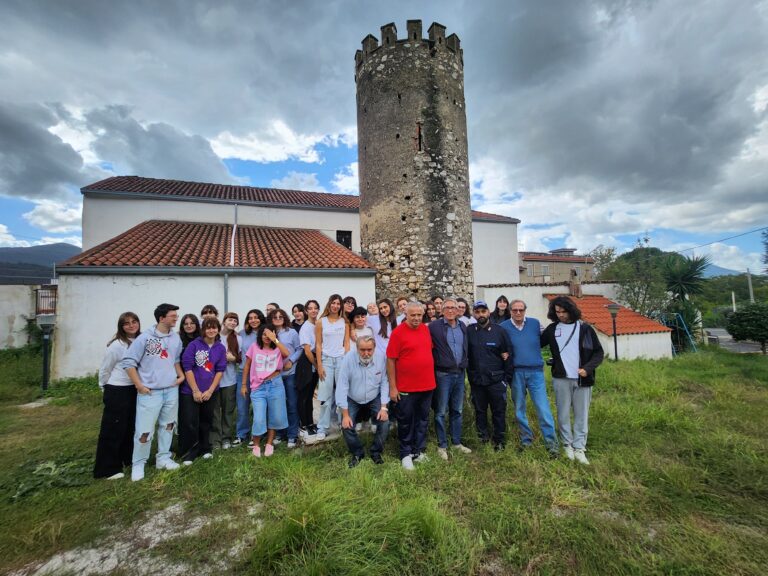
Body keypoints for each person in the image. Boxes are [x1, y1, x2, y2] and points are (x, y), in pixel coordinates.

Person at [121, 303, 185, 482]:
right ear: (162, 318)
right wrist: (139, 385)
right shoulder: (145, 338)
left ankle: (163, 458)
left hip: (171, 389)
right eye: (173, 315)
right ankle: (138, 464)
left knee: (168, 425)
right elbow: (128, 362)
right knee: (144, 430)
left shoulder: (175, 338)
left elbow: (175, 359)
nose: (176, 318)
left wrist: (179, 376)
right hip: (150, 392)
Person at [541, 296, 604, 465]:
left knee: (581, 415)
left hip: (583, 379)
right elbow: (536, 343)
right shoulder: (552, 329)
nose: (561, 315)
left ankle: (579, 448)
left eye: (564, 311)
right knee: (562, 414)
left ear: (571, 310)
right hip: (561, 378)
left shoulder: (584, 329)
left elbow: (598, 353)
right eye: (557, 312)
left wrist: (587, 368)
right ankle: (567, 445)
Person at [499, 300, 559, 456]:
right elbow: (501, 347)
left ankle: (552, 445)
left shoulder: (535, 323)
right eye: (515, 310)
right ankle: (526, 441)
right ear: (510, 311)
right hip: (516, 373)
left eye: (521, 310)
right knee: (519, 409)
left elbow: (547, 339)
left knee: (543, 408)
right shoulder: (504, 327)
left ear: (525, 310)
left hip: (536, 372)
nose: (518, 313)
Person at [387, 301, 436, 470]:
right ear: (406, 314)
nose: (416, 318)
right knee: (406, 420)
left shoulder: (425, 329)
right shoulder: (398, 333)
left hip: (427, 384)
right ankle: (405, 453)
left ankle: (418, 451)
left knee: (422, 420)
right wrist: (393, 387)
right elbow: (391, 360)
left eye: (419, 315)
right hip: (406, 387)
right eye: (413, 315)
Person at [94, 312, 141, 480]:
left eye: (134, 322)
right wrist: (104, 387)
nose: (131, 325)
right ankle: (106, 468)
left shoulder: (140, 340)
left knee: (129, 427)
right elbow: (105, 368)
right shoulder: (117, 345)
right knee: (113, 429)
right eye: (126, 323)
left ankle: (126, 459)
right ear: (121, 327)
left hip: (134, 389)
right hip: (117, 388)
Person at [336, 335, 391, 467]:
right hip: (353, 397)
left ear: (374, 348)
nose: (366, 353)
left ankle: (376, 452)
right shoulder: (348, 359)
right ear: (357, 348)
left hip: (374, 397)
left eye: (369, 350)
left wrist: (384, 408)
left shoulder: (381, 358)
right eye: (362, 350)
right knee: (346, 424)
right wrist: (345, 414)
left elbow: (384, 382)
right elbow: (342, 386)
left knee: (385, 421)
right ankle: (357, 453)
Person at [466, 300, 513, 451]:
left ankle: (499, 440)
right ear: (473, 313)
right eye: (477, 312)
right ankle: (483, 438)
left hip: (496, 380)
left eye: (483, 311)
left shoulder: (499, 331)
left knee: (498, 412)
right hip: (477, 380)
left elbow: (508, 354)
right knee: (480, 411)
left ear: (488, 312)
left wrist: (506, 380)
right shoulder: (469, 331)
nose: (480, 314)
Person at [428, 298, 471, 460]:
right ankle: (442, 445)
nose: (451, 310)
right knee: (440, 411)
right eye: (447, 308)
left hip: (460, 373)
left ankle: (457, 443)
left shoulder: (463, 326)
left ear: (458, 310)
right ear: (442, 310)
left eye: (454, 308)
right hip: (443, 374)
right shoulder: (434, 327)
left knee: (457, 410)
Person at [179, 317, 227, 464]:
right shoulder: (194, 345)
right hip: (190, 391)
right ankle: (189, 453)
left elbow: (220, 370)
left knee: (206, 421)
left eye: (214, 327)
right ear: (203, 329)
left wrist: (210, 391)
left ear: (218, 329)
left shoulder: (220, 347)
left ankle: (205, 448)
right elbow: (187, 368)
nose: (211, 330)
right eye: (208, 327)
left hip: (210, 392)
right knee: (190, 422)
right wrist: (195, 390)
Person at [241, 324, 290, 457]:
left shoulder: (278, 348)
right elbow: (246, 367)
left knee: (274, 416)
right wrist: (244, 385)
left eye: (269, 334)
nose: (266, 337)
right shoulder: (254, 347)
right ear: (260, 336)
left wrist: (275, 340)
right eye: (264, 334)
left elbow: (287, 354)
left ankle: (269, 443)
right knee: (259, 417)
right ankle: (256, 445)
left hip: (275, 384)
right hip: (258, 386)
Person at [315, 294, 350, 440]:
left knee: (342, 393)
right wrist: (319, 365)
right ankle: (322, 427)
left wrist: (347, 362)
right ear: (329, 304)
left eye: (338, 303)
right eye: (333, 303)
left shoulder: (345, 322)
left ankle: (344, 424)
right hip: (327, 361)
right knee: (325, 395)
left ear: (340, 306)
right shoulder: (320, 322)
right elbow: (318, 344)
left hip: (341, 360)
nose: (335, 306)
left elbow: (346, 343)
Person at [269, 308, 303, 448]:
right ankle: (280, 433)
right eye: (275, 317)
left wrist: (291, 361)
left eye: (280, 316)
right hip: (274, 375)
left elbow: (300, 348)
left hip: (290, 374)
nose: (278, 318)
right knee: (278, 406)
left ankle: (292, 435)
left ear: (285, 318)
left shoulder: (292, 332)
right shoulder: (268, 333)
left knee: (292, 405)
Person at [210, 312, 241, 450]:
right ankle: (215, 440)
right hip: (212, 381)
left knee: (228, 411)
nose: (232, 322)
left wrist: (233, 359)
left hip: (230, 380)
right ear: (224, 321)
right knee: (215, 411)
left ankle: (226, 438)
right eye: (230, 320)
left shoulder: (238, 339)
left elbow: (241, 358)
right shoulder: (213, 336)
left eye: (235, 321)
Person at [234, 309, 264, 445]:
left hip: (260, 375)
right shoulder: (241, 334)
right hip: (243, 374)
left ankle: (256, 435)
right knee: (242, 406)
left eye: (256, 317)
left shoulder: (266, 333)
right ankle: (241, 434)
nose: (253, 320)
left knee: (259, 406)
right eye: (250, 318)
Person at [296, 299, 320, 436]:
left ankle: (310, 422)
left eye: (315, 308)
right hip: (307, 363)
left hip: (315, 360)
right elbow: (307, 350)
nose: (313, 310)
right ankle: (303, 424)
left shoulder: (317, 324)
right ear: (306, 311)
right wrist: (317, 366)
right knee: (304, 396)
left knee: (310, 395)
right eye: (310, 308)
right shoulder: (306, 327)